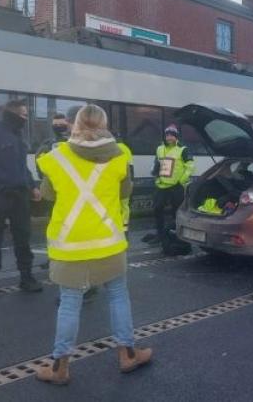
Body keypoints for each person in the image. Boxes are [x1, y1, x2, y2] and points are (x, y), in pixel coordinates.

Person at [35, 104, 151, 385]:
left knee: (69, 303)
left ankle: (60, 367)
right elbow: (125, 192)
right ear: (104, 124)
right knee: (118, 296)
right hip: (109, 243)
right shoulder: (120, 155)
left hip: (69, 245)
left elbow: (48, 194)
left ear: (74, 124)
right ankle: (127, 355)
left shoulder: (56, 157)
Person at [0, 99, 43, 297]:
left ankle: (26, 277)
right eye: (23, 115)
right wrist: (8, 179)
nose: (25, 119)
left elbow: (22, 167)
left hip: (19, 195)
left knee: (23, 237)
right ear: (12, 114)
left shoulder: (17, 136)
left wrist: (32, 185)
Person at [152, 124, 194, 255]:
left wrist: (181, 181)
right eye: (167, 135)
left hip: (176, 186)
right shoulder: (159, 149)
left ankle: (176, 236)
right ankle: (160, 234)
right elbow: (156, 165)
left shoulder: (183, 149)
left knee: (176, 212)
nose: (169, 137)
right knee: (157, 209)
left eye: (172, 135)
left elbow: (190, 166)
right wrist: (156, 177)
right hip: (161, 185)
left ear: (176, 137)